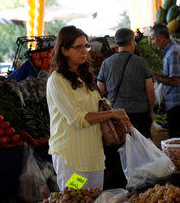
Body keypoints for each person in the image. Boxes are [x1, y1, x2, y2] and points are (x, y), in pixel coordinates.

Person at [46, 25, 131, 191]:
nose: (84, 51)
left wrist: (119, 118)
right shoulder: (57, 80)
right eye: (78, 47)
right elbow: (77, 119)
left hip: (94, 157)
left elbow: (100, 104)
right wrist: (112, 113)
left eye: (86, 46)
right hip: (73, 161)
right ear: (64, 50)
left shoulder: (85, 77)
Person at [97, 28, 155, 139]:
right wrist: (151, 111)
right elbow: (150, 90)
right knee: (142, 151)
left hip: (116, 115)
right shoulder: (141, 62)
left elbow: (100, 91)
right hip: (140, 114)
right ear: (132, 42)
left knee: (120, 151)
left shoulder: (106, 63)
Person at [151, 23, 180, 138]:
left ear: (161, 38)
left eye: (153, 39)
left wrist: (155, 75)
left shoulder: (173, 52)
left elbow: (174, 81)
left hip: (177, 104)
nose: (153, 43)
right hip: (175, 103)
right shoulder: (170, 51)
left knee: (178, 141)